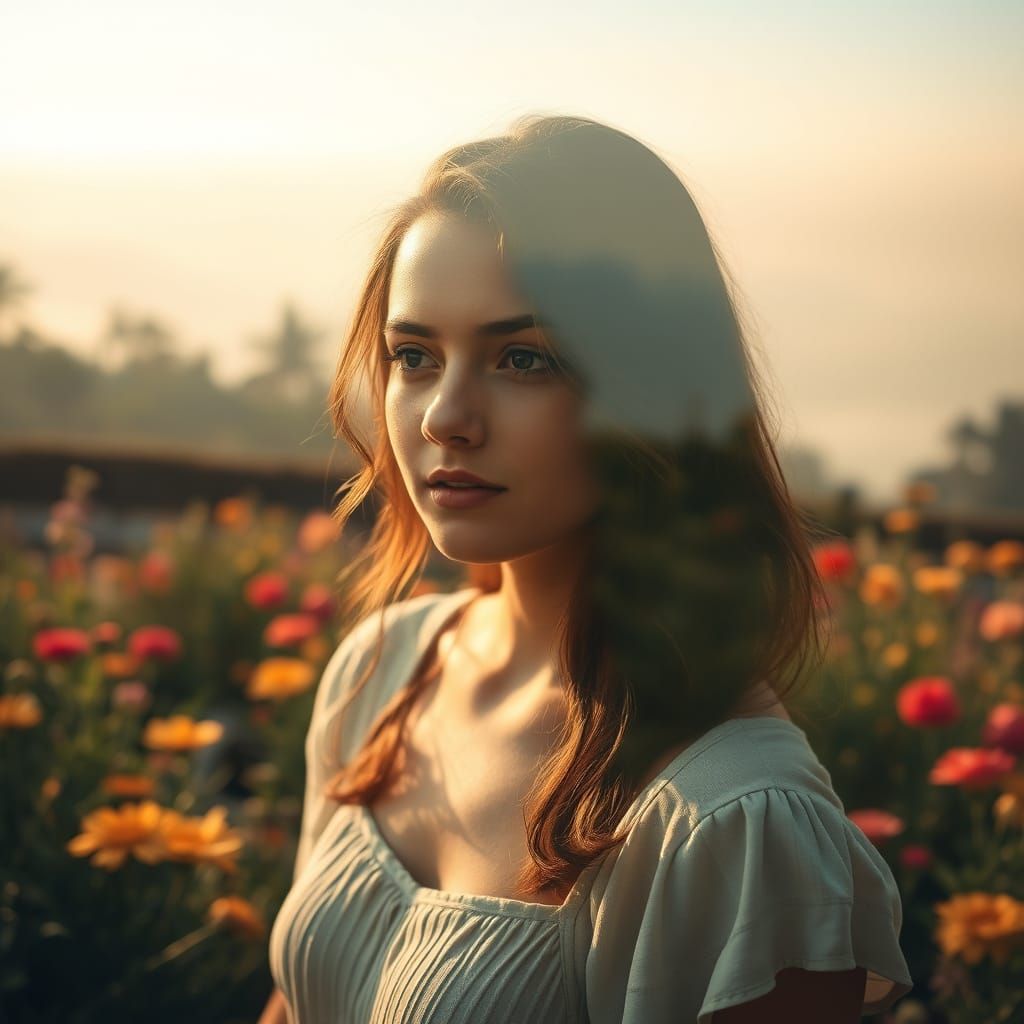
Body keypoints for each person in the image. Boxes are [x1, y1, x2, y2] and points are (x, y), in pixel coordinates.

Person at [260, 114, 913, 1023]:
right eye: (414, 356)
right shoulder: (380, 672)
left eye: (523, 358)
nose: (444, 416)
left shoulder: (735, 818)